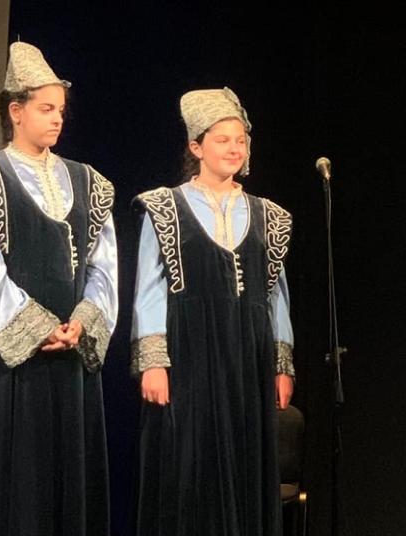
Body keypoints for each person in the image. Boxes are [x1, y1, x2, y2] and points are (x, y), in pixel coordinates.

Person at [0, 42, 117, 536]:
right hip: (9, 347)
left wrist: (82, 322)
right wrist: (36, 328)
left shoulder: (89, 182)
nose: (57, 118)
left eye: (60, 109)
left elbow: (104, 267)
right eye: (45, 109)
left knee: (64, 472)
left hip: (70, 345)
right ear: (16, 112)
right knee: (13, 471)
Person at [132, 87, 295, 535]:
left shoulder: (269, 216)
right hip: (189, 353)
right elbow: (149, 288)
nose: (234, 148)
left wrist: (282, 364)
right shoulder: (164, 208)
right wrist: (153, 361)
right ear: (196, 147)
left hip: (248, 355)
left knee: (247, 461)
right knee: (190, 463)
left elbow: (276, 295)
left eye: (240, 140)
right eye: (222, 139)